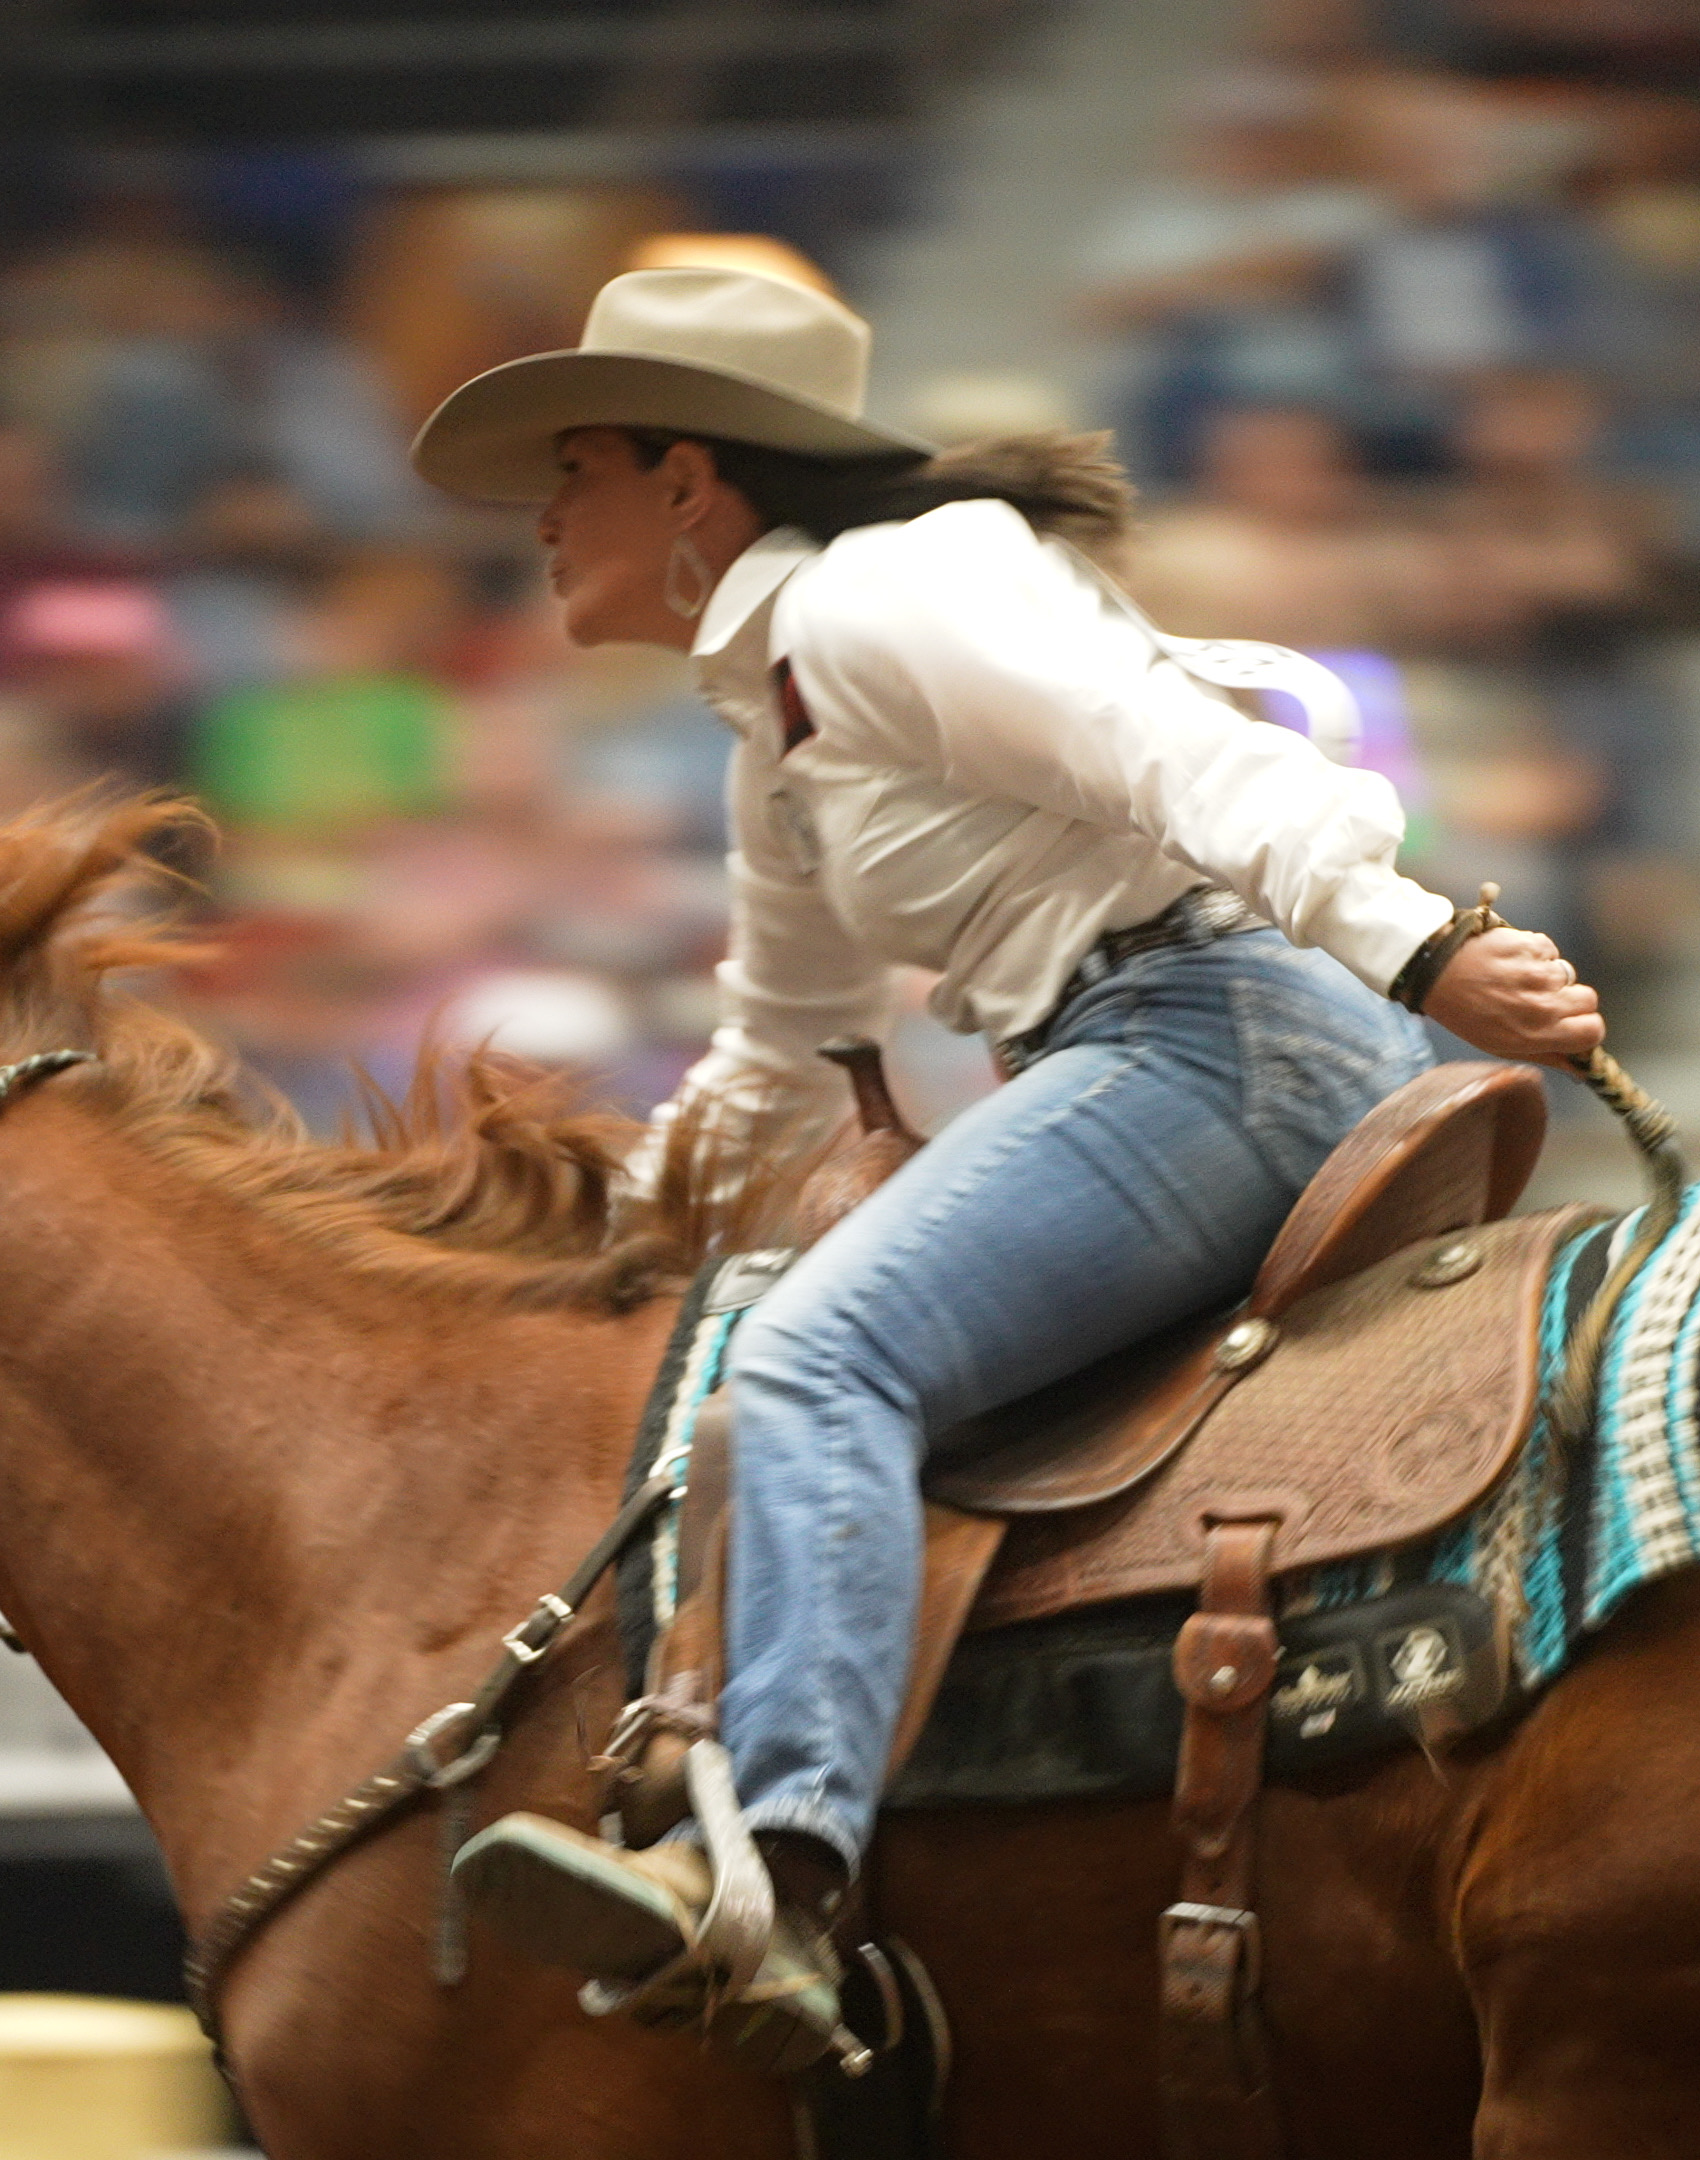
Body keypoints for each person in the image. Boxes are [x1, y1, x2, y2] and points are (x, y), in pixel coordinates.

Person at [415, 267, 1602, 2072]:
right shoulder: (779, 724)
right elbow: (777, 1047)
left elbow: (1173, 755)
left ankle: (776, 1881)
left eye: (572, 465)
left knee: (821, 1361)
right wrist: (571, 1241)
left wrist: (1417, 940)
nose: (542, 513)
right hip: (1178, 1041)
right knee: (781, 1347)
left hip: (1218, 1040)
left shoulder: (886, 595)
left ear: (686, 480)